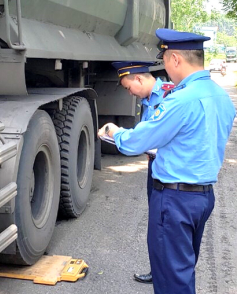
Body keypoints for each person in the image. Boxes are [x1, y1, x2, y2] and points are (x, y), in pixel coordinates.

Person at [99, 28, 236, 294]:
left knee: (172, 281)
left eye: (165, 60)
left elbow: (138, 142)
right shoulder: (222, 97)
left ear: (175, 59)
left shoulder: (180, 100)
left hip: (175, 201)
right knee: (182, 272)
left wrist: (114, 132)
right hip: (202, 198)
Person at [111, 61, 174, 284]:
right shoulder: (147, 99)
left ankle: (170, 275)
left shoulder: (170, 96)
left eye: (129, 87)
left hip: (169, 171)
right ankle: (159, 271)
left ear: (139, 79)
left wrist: (118, 135)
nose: (130, 93)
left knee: (166, 225)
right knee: (156, 223)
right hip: (154, 167)